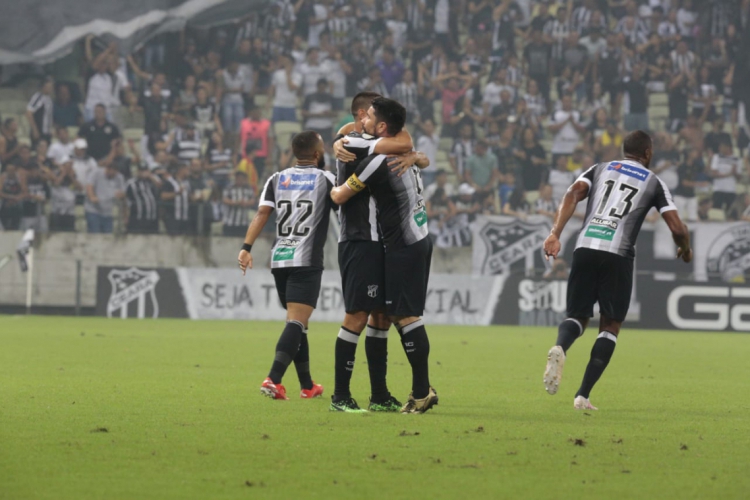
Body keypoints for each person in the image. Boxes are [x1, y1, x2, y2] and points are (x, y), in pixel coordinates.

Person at [542, 130, 692, 411]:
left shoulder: (600, 168)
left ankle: (560, 347)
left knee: (577, 316)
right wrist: (685, 247)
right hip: (618, 255)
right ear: (647, 153)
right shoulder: (653, 181)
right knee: (610, 326)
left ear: (625, 150)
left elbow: (573, 193)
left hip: (585, 247)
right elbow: (676, 227)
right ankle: (582, 395)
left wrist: (554, 233)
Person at [331, 98, 437, 414]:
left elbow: (340, 194)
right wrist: (416, 156)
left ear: (379, 126)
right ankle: (342, 396)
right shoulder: (366, 145)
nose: (365, 119)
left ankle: (400, 393)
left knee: (393, 316)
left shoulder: (382, 155)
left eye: (372, 116)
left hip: (392, 244)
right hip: (365, 240)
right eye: (364, 113)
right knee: (369, 315)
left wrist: (416, 155)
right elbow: (401, 141)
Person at [237, 131, 334, 400]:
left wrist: (246, 248)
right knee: (296, 322)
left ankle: (307, 385)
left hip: (279, 259)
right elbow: (345, 205)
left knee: (297, 323)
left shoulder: (276, 178)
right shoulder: (326, 179)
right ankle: (273, 378)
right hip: (306, 260)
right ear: (317, 154)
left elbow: (261, 214)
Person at [85, 161, 126, 233]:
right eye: (111, 173)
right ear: (107, 169)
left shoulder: (119, 177)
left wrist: (120, 195)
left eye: (115, 173)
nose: (113, 175)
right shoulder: (96, 173)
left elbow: (123, 193)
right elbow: (89, 186)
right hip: (94, 210)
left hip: (108, 212)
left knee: (108, 237)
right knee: (95, 235)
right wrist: (92, 197)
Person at [125, 165, 162, 234]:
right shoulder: (131, 183)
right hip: (138, 217)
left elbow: (160, 186)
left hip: (152, 217)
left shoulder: (151, 181)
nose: (144, 173)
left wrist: (150, 176)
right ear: (138, 172)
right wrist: (126, 216)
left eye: (146, 171)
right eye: (142, 171)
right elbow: (125, 198)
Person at [239, 106, 273, 180]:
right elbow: (239, 138)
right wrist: (237, 153)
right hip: (245, 155)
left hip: (260, 156)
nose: (256, 114)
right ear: (250, 113)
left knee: (258, 176)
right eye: (254, 112)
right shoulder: (243, 123)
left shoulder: (267, 124)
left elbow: (270, 140)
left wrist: (269, 156)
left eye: (258, 112)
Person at [709, 139, 741, 213]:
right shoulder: (717, 157)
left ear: (728, 147)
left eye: (722, 147)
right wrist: (729, 174)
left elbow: (739, 177)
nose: (720, 149)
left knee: (730, 211)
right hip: (718, 188)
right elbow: (714, 174)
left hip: (731, 189)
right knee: (716, 211)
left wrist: (735, 172)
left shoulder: (736, 159)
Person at [222, 171, 255, 237]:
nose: (240, 180)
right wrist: (236, 202)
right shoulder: (229, 188)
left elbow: (253, 200)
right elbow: (224, 200)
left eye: (242, 178)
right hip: (230, 222)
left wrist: (246, 203)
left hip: (243, 223)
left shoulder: (248, 188)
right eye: (238, 178)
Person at [26, 76, 55, 145]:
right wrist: (34, 129)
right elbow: (29, 112)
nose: (50, 89)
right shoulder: (38, 97)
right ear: (43, 87)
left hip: (47, 132)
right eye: (49, 87)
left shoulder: (49, 99)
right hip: (39, 130)